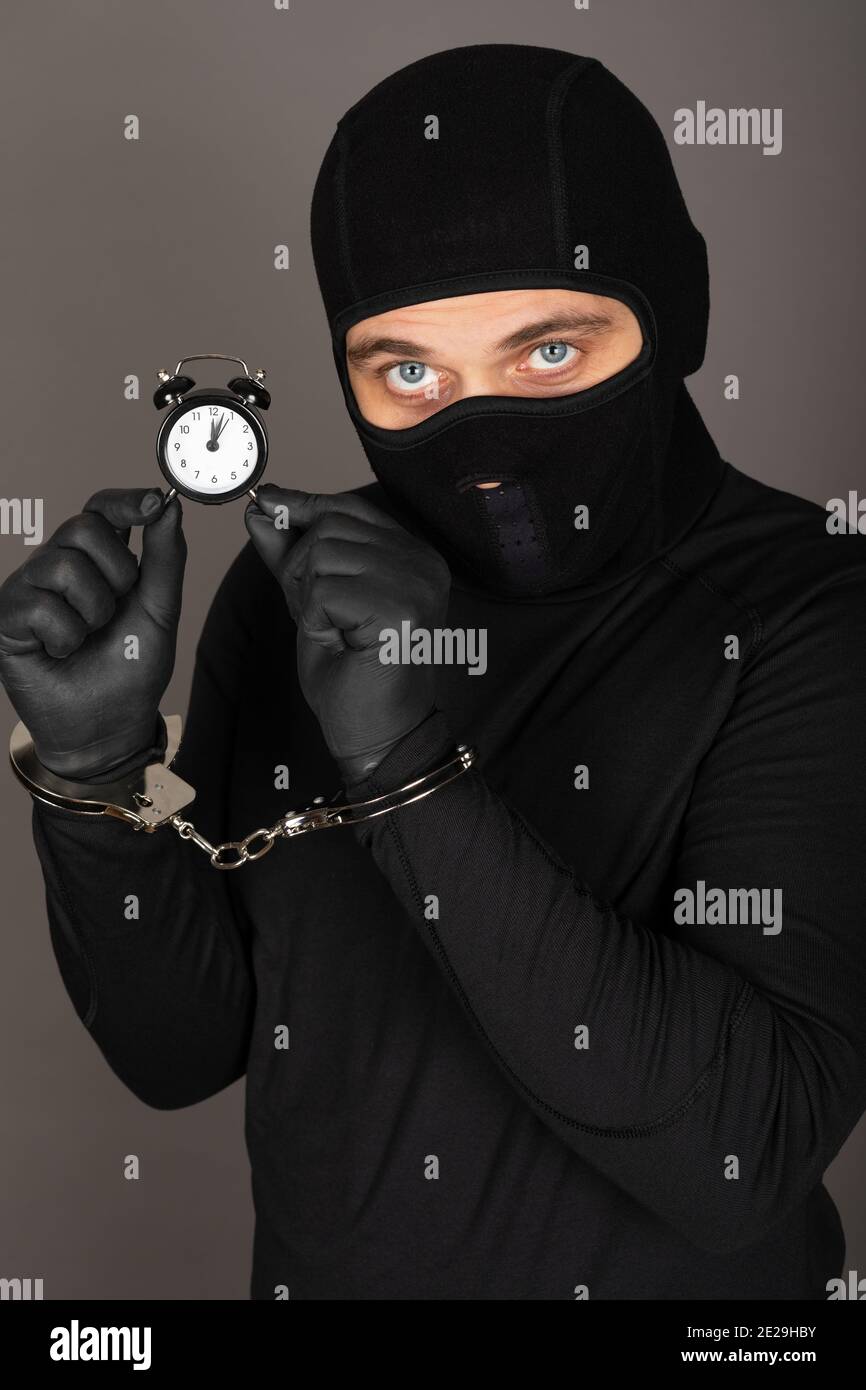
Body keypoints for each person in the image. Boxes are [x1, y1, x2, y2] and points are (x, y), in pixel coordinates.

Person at [2, 44, 865, 1302]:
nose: (481, 434)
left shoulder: (812, 607)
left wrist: (404, 768)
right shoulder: (297, 592)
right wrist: (89, 782)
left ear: (672, 310)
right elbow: (183, 1053)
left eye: (549, 353)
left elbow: (737, 1154)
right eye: (408, 372)